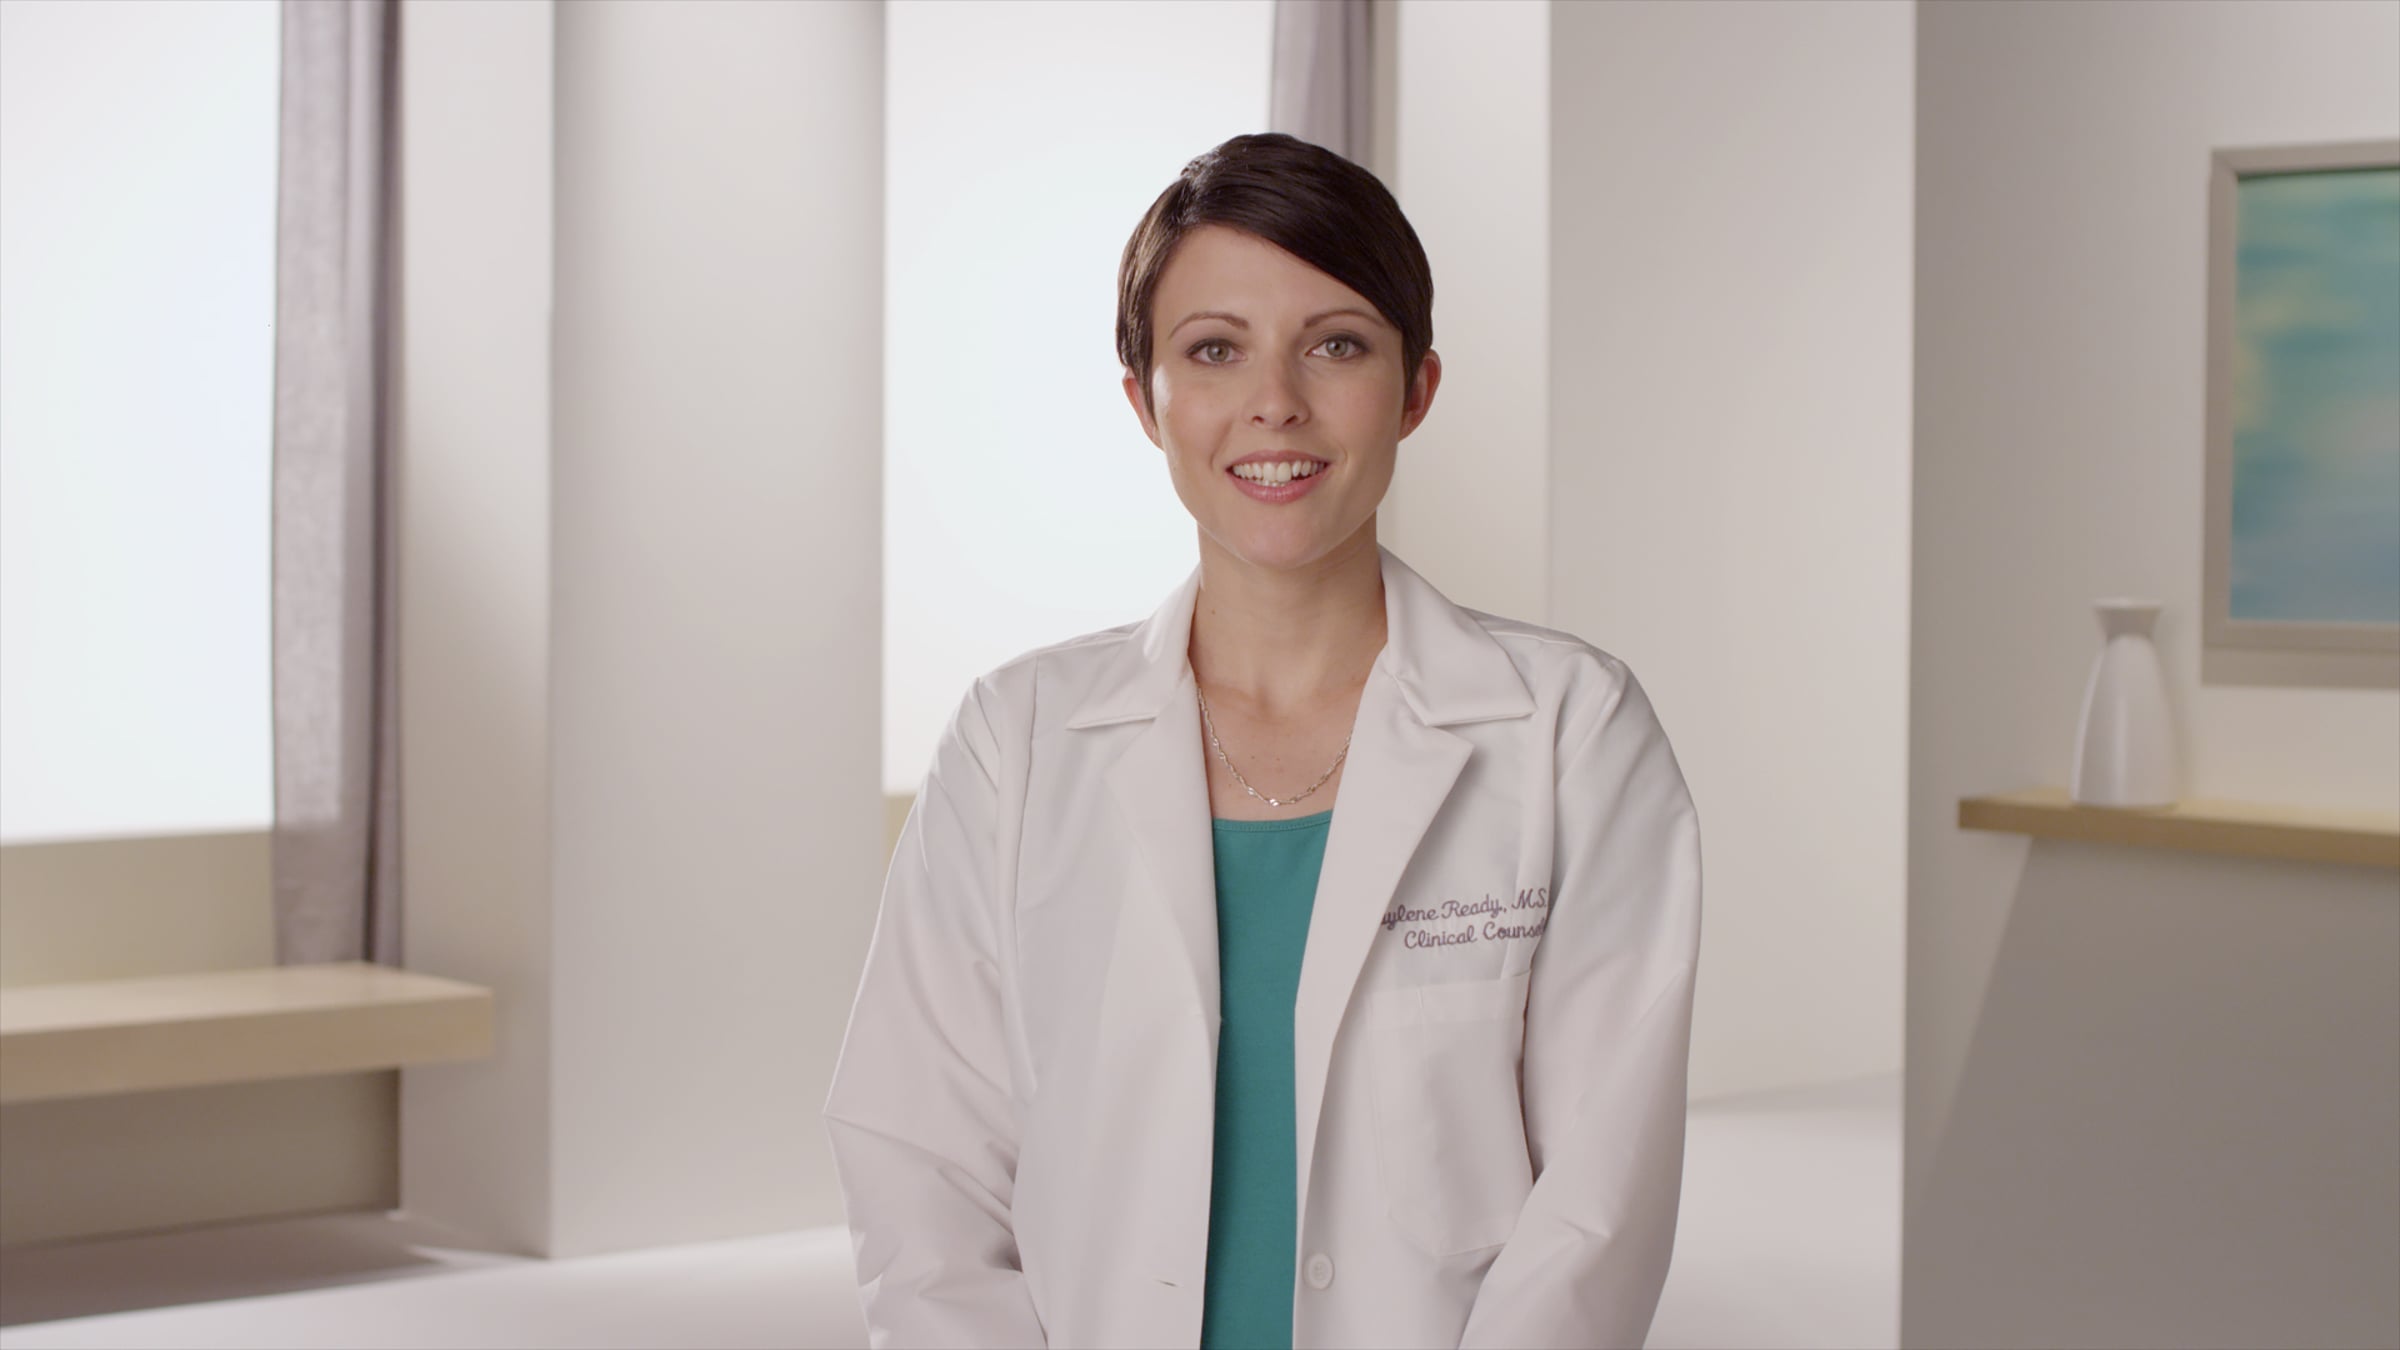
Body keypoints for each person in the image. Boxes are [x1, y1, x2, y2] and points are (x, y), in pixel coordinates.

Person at [825, 132, 1702, 1350]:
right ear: (1145, 401)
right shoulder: (1014, 742)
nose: (1275, 401)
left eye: (1335, 344)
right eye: (1214, 350)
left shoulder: (1571, 734)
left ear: (1416, 389)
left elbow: (1597, 1208)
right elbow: (920, 1161)